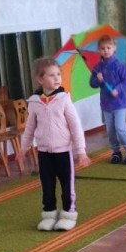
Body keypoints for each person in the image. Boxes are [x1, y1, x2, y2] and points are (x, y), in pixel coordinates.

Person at [22, 56, 91, 232]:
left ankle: (68, 214)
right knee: (47, 186)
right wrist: (23, 149)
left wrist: (81, 151)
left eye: (58, 74)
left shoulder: (64, 99)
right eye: (52, 75)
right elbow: (29, 128)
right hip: (44, 153)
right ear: (40, 79)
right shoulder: (34, 102)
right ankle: (49, 214)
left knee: (67, 186)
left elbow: (75, 126)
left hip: (63, 152)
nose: (57, 78)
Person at [89, 33, 126, 164]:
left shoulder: (119, 65)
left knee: (120, 128)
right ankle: (116, 152)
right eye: (103, 48)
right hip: (106, 104)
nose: (106, 51)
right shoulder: (97, 68)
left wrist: (118, 89)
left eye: (108, 47)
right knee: (110, 131)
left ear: (114, 48)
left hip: (120, 103)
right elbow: (92, 84)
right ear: (99, 50)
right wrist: (98, 80)